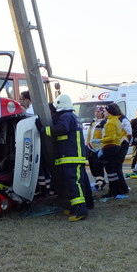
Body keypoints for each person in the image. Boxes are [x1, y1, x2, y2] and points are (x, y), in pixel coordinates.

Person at [40, 94, 93, 222]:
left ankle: (81, 211)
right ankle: (77, 207)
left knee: (74, 183)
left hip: (71, 156)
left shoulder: (66, 116)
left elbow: (61, 129)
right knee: (74, 183)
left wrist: (43, 129)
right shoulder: (72, 116)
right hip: (72, 156)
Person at [98, 103, 124, 198]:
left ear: (109, 112)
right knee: (113, 170)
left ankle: (113, 191)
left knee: (110, 170)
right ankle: (117, 190)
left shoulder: (110, 122)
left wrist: (100, 141)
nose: (104, 113)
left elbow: (111, 137)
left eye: (105, 111)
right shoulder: (116, 121)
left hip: (110, 147)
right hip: (116, 146)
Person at [86, 106, 107, 190]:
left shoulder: (103, 123)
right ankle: (97, 182)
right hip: (90, 147)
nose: (96, 113)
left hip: (98, 148)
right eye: (95, 111)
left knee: (98, 166)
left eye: (98, 111)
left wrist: (101, 147)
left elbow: (104, 135)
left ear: (102, 113)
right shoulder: (93, 122)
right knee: (92, 166)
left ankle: (100, 183)